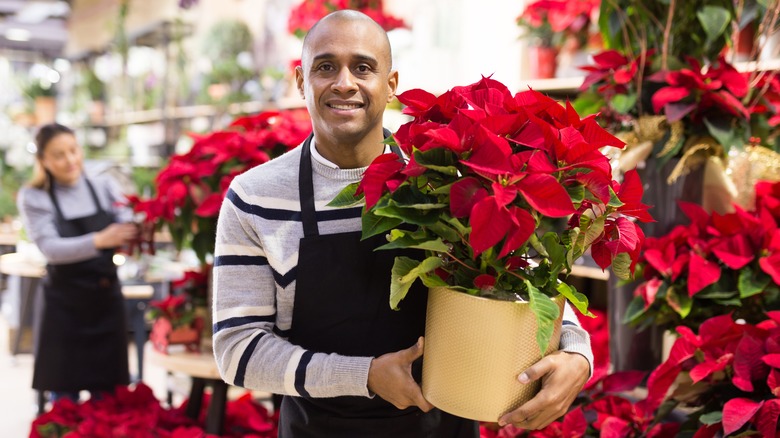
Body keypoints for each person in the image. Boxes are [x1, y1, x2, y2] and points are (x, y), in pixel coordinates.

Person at [212, 10, 593, 436]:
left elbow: (526, 281)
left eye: (362, 67)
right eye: (325, 67)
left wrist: (577, 353)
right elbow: (237, 350)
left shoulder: (446, 180)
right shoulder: (254, 198)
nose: (343, 83)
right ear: (301, 81)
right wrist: (365, 375)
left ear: (391, 85)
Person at [17, 123, 139, 403]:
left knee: (108, 399)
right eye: (59, 155)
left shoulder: (103, 185)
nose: (70, 160)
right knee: (65, 402)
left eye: (73, 150)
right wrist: (100, 240)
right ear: (43, 160)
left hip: (106, 302)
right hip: (64, 309)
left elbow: (128, 223)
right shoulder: (34, 196)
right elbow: (51, 249)